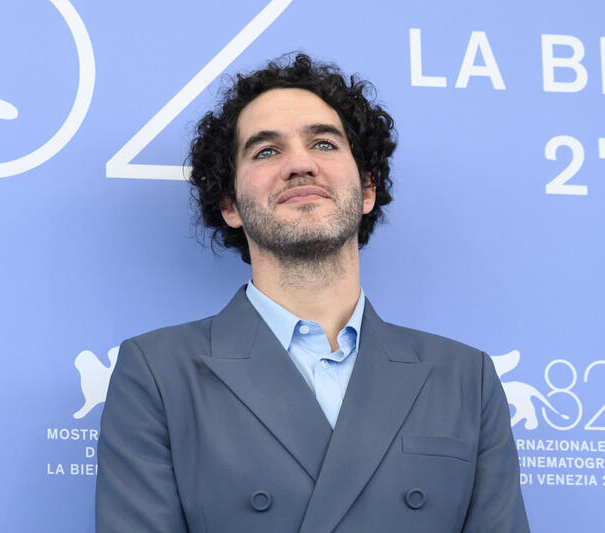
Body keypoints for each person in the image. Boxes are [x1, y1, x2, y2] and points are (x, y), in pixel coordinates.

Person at [95, 53, 529, 533]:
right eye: (265, 151)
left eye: (323, 143)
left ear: (367, 188)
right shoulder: (158, 374)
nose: (300, 165)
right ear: (229, 205)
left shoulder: (466, 379)